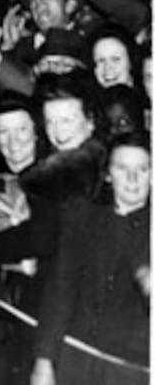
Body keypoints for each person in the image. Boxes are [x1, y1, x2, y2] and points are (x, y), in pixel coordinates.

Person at [31, 132, 150, 385]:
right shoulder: (84, 218)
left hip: (132, 370)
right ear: (108, 174)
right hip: (76, 358)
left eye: (143, 169)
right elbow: (60, 290)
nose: (132, 179)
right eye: (122, 168)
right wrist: (44, 361)